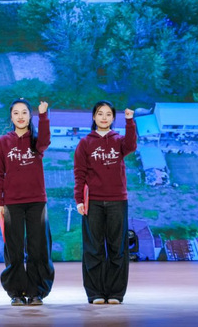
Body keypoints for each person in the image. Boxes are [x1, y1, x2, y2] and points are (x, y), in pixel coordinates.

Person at [0, 98, 55, 306]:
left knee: (38, 247)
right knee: (14, 248)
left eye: (25, 112)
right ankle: (16, 292)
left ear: (30, 116)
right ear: (11, 117)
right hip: (12, 203)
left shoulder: (36, 141)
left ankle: (37, 292)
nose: (20, 116)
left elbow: (45, 140)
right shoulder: (2, 142)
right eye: (16, 113)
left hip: (37, 201)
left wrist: (43, 115)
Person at [73, 101, 137, 305]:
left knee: (118, 247)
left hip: (117, 200)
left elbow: (131, 145)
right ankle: (95, 293)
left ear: (113, 118)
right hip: (93, 202)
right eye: (100, 114)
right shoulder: (85, 143)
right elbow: (79, 173)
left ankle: (116, 293)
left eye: (108, 114)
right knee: (94, 248)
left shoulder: (118, 140)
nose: (104, 117)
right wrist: (79, 200)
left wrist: (129, 121)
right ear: (94, 117)